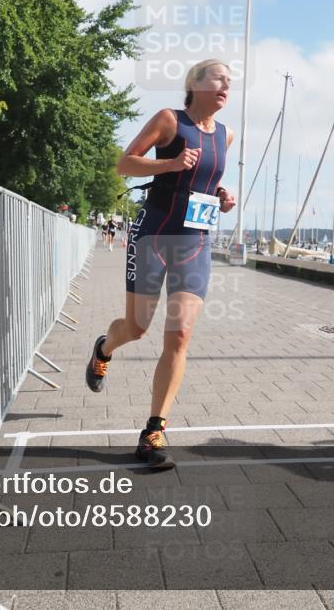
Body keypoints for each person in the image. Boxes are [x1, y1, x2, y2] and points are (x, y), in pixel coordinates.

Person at [85, 58, 236, 468]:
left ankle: (153, 432)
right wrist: (169, 163)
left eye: (231, 81)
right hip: (153, 236)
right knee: (136, 327)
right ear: (195, 83)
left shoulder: (226, 135)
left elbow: (205, 179)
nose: (227, 85)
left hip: (195, 243)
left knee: (180, 336)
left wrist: (223, 195)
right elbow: (124, 163)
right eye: (219, 77)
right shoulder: (170, 120)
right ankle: (104, 347)